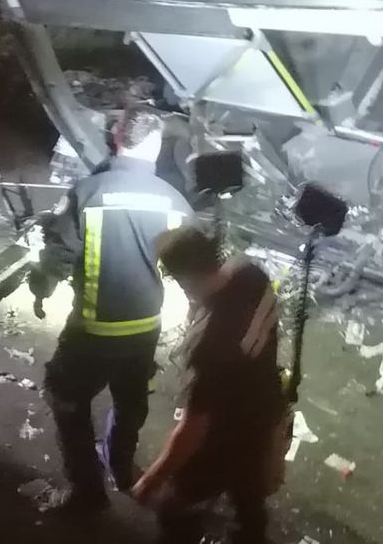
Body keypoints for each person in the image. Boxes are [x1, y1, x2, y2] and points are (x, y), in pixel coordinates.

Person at [30, 108, 193, 513]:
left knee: (67, 400)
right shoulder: (174, 201)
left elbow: (58, 253)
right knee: (130, 403)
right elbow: (192, 264)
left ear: (117, 138)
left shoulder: (88, 191)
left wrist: (41, 287)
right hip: (144, 330)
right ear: (155, 148)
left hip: (92, 332)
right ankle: (121, 467)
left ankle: (88, 493)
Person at [133, 226, 285, 544]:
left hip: (222, 441)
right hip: (266, 410)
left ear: (182, 277)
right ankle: (249, 535)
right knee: (249, 493)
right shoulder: (250, 272)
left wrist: (151, 480)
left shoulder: (207, 345)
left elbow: (192, 429)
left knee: (176, 509)